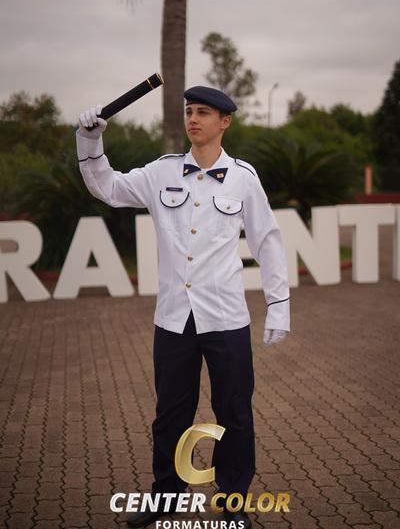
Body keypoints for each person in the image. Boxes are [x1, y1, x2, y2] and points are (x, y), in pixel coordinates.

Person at [76, 86, 290, 529]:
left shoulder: (244, 179)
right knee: (171, 415)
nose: (193, 118)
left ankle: (233, 501)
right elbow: (107, 188)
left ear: (224, 121)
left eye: (203, 112)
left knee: (234, 414)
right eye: (189, 111)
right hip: (174, 319)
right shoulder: (161, 172)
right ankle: (166, 498)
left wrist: (279, 306)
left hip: (227, 318)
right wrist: (90, 140)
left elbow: (267, 242)